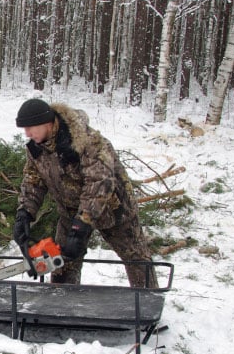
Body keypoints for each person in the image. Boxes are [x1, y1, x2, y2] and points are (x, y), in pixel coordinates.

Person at [12, 98, 158, 288]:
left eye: (31, 127)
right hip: (70, 212)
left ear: (48, 123)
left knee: (136, 257)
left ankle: (148, 302)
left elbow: (99, 182)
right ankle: (63, 304)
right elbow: (33, 181)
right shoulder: (37, 148)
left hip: (114, 209)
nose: (27, 133)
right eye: (25, 129)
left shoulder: (87, 142)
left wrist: (83, 224)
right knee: (62, 263)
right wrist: (25, 213)